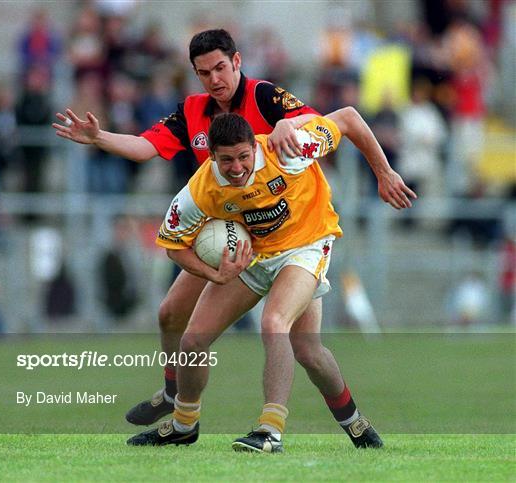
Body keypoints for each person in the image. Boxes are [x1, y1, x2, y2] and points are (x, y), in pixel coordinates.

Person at [53, 29, 335, 431]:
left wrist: (293, 124)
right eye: (204, 73)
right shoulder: (192, 111)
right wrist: (99, 137)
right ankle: (174, 395)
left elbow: (317, 121)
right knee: (170, 313)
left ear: (237, 62)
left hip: (286, 231)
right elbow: (144, 146)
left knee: (306, 346)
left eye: (220, 67)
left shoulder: (264, 96)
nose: (214, 79)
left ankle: (331, 421)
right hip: (227, 231)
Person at [127, 110, 416, 452]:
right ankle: (183, 425)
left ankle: (270, 431)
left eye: (243, 157)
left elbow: (350, 119)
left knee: (275, 323)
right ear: (211, 157)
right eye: (226, 160)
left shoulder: (289, 151)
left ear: (255, 147)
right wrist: (214, 274)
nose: (236, 168)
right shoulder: (200, 189)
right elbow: (173, 245)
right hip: (255, 255)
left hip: (307, 246)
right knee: (195, 343)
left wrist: (383, 173)